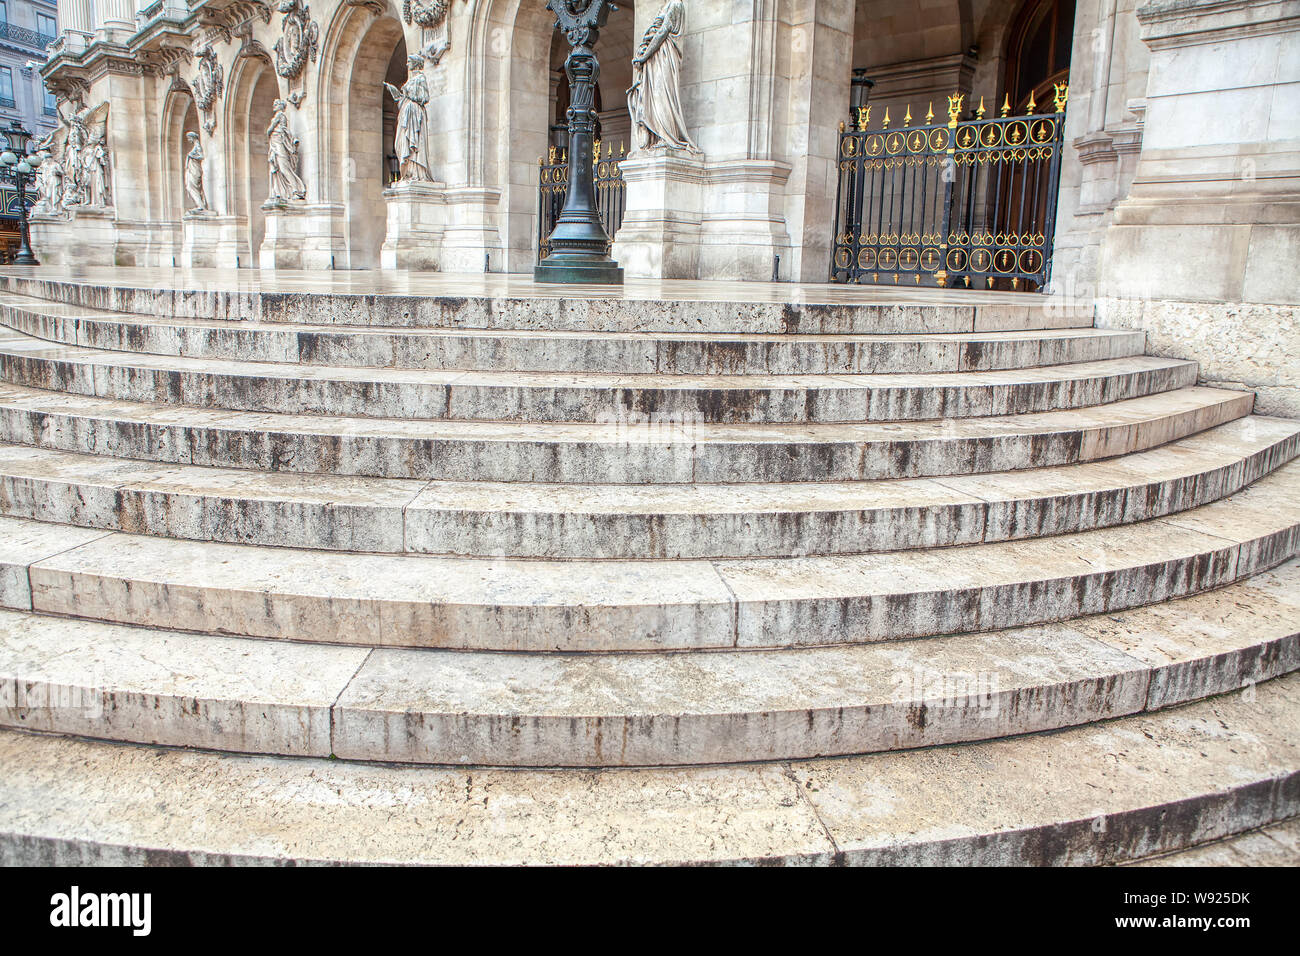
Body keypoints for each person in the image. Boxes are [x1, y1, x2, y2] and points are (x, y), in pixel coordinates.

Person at [627, 0, 698, 152]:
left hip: (663, 57)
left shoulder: (675, 4)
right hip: (655, 58)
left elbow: (663, 31)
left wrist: (644, 56)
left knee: (661, 94)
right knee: (652, 96)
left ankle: (666, 136)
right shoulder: (664, 6)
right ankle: (657, 136)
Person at [384, 54, 433, 183]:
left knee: (414, 143)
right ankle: (409, 173)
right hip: (406, 114)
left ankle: (417, 173)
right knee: (401, 143)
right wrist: (396, 93)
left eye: (409, 61)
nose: (407, 64)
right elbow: (403, 99)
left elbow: (424, 97)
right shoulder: (411, 80)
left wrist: (409, 95)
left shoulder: (420, 78)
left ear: (416, 63)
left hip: (414, 115)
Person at [266, 99, 307, 202]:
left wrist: (269, 132)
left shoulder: (280, 115)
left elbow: (270, 129)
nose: (274, 105)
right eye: (274, 104)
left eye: (277, 104)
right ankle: (280, 192)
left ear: (281, 106)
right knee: (278, 169)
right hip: (275, 143)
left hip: (279, 143)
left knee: (284, 169)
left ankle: (297, 189)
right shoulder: (278, 116)